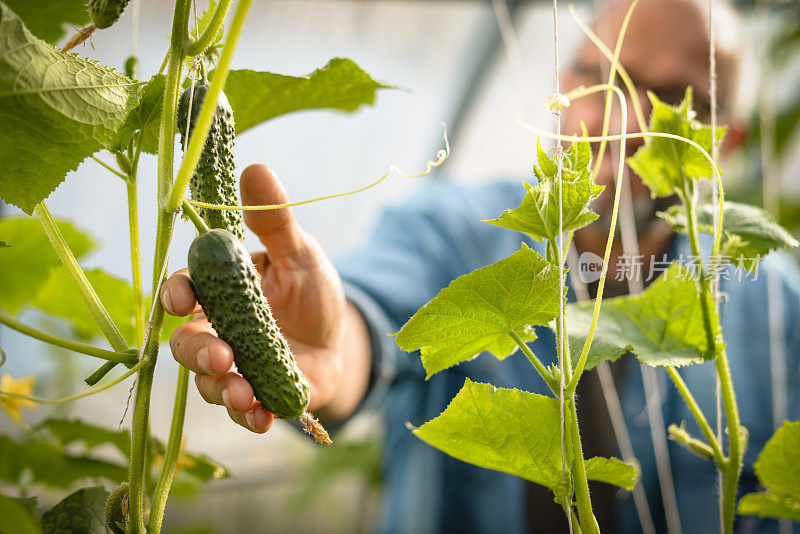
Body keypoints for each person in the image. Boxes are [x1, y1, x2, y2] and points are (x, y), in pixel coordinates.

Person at [160, 0, 800, 532]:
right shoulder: (453, 235)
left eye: (669, 100)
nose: (623, 120)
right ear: (564, 85)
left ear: (725, 140)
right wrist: (333, 348)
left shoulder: (776, 307)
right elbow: (365, 325)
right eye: (605, 77)